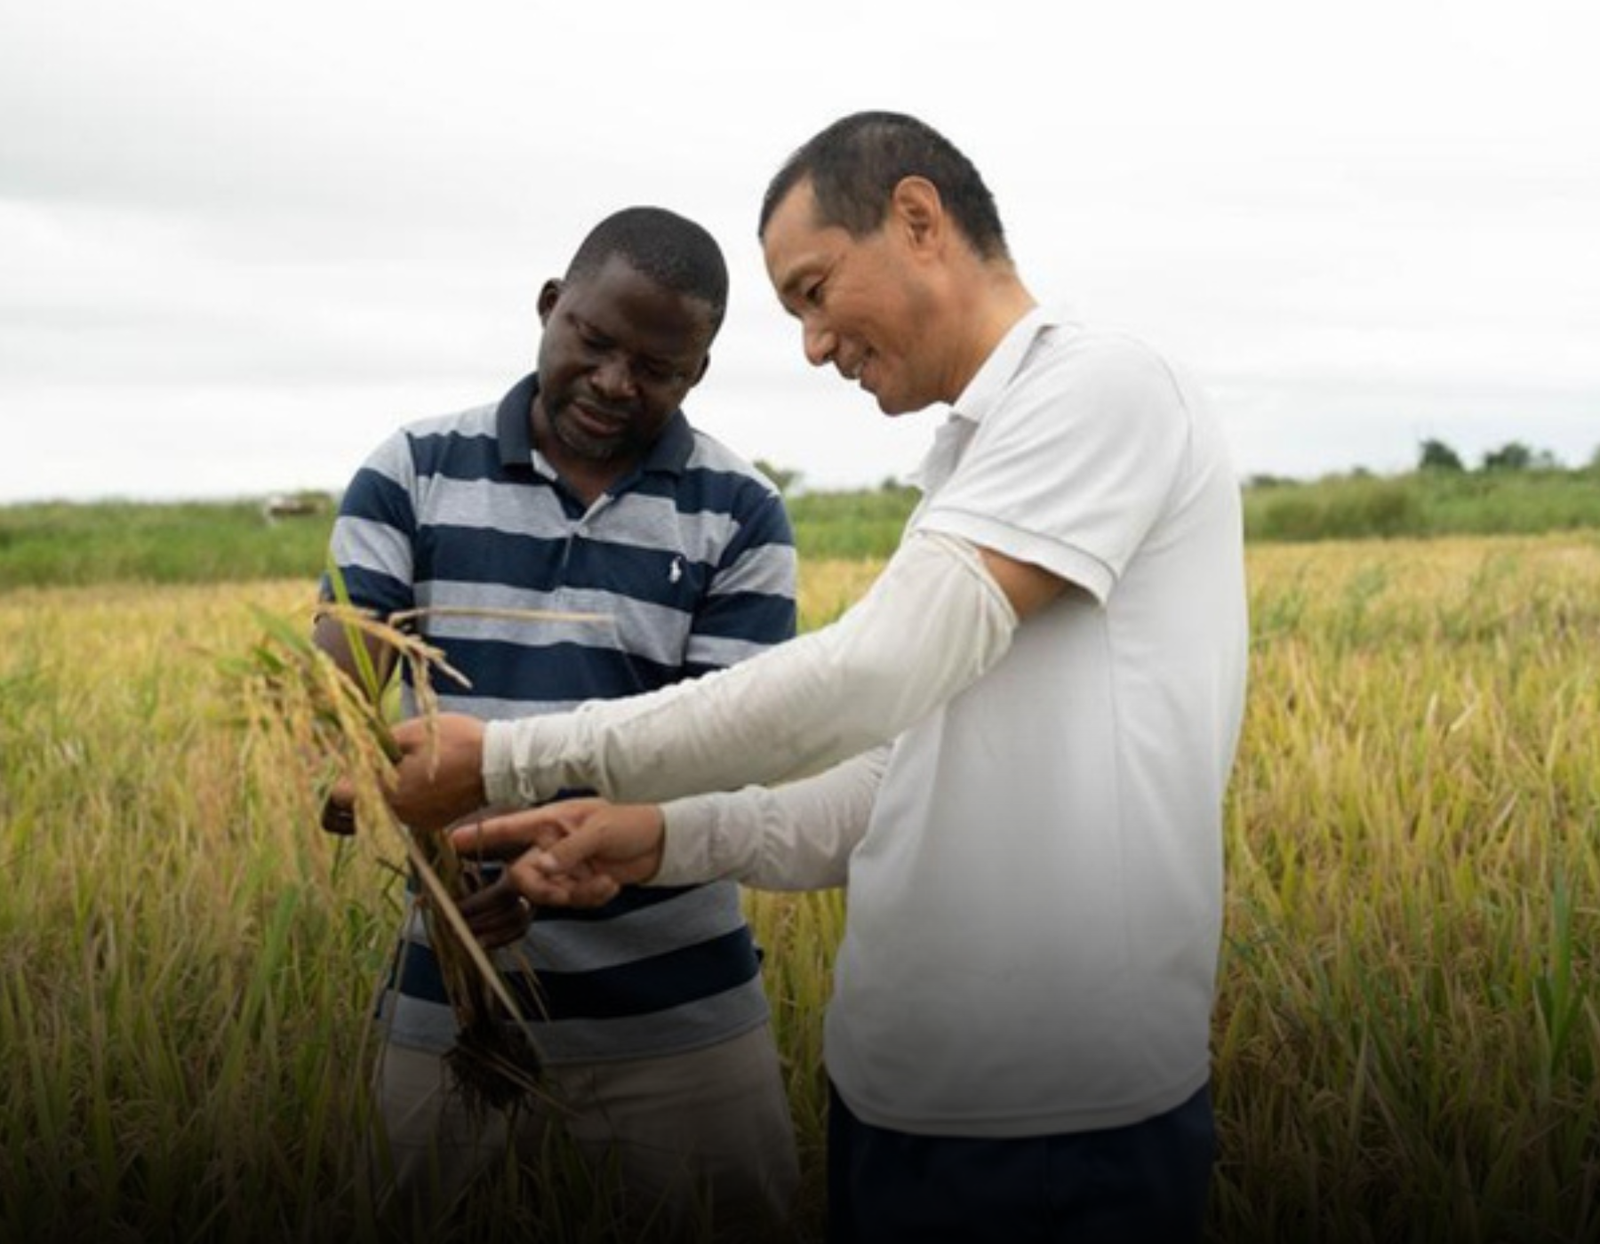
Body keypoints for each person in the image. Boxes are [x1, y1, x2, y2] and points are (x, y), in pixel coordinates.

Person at [347, 112, 1249, 1243]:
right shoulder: (972, 463)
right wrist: (656, 837)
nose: (815, 346)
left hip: (1056, 1114)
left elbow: (869, 673)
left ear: (918, 219)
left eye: (814, 291)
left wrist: (513, 756)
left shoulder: (1101, 387)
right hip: (899, 1101)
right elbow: (888, 789)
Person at [314, 205, 802, 1241]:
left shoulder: (740, 512)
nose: (617, 383)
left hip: (679, 1014)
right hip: (447, 990)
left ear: (698, 373)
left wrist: (525, 844)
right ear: (550, 306)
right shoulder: (413, 471)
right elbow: (336, 723)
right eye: (593, 340)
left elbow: (728, 752)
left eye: (658, 365)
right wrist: (445, 870)